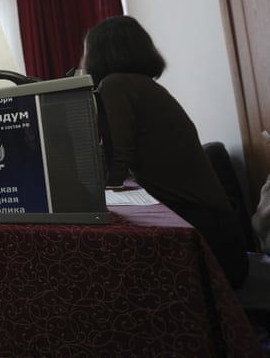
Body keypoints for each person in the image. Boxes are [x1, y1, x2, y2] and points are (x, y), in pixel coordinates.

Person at [83, 15, 249, 289]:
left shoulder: (116, 85)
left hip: (206, 241)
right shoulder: (145, 86)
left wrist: (91, 193)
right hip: (222, 235)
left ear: (102, 51)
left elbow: (119, 155)